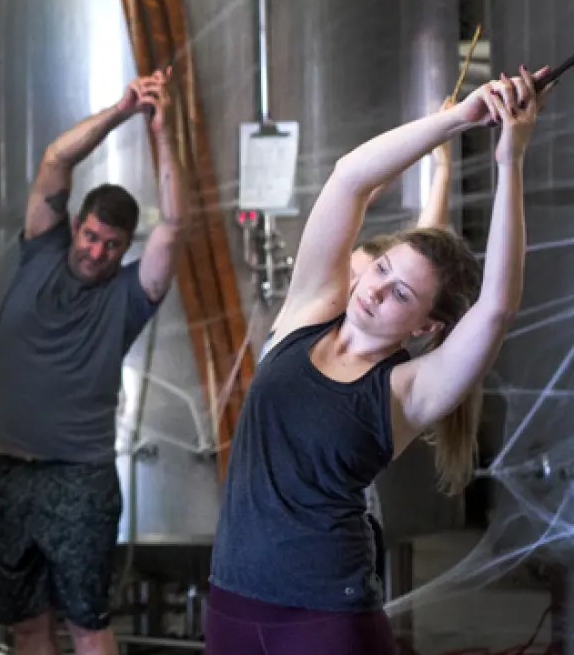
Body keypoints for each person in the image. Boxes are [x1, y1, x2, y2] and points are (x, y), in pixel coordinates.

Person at [206, 67, 547, 655]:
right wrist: (458, 119)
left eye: (401, 294)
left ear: (425, 327)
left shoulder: (407, 389)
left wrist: (509, 160)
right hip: (231, 603)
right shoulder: (308, 312)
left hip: (325, 619)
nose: (376, 289)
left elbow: (496, 307)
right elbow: (349, 178)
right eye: (383, 269)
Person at [0, 68, 188, 655]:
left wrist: (162, 133)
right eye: (92, 236)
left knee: (87, 624)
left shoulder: (130, 296)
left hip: (78, 478)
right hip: (5, 471)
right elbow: (55, 159)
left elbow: (174, 225)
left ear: (126, 248)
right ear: (75, 225)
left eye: (112, 245)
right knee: (26, 624)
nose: (97, 251)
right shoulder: (41, 250)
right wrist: (122, 110)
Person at [260, 98, 458, 362]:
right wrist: (424, 140)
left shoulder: (365, 343)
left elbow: (426, 252)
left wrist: (443, 168)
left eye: (398, 292)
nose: (355, 287)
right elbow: (355, 190)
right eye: (349, 274)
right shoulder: (308, 304)